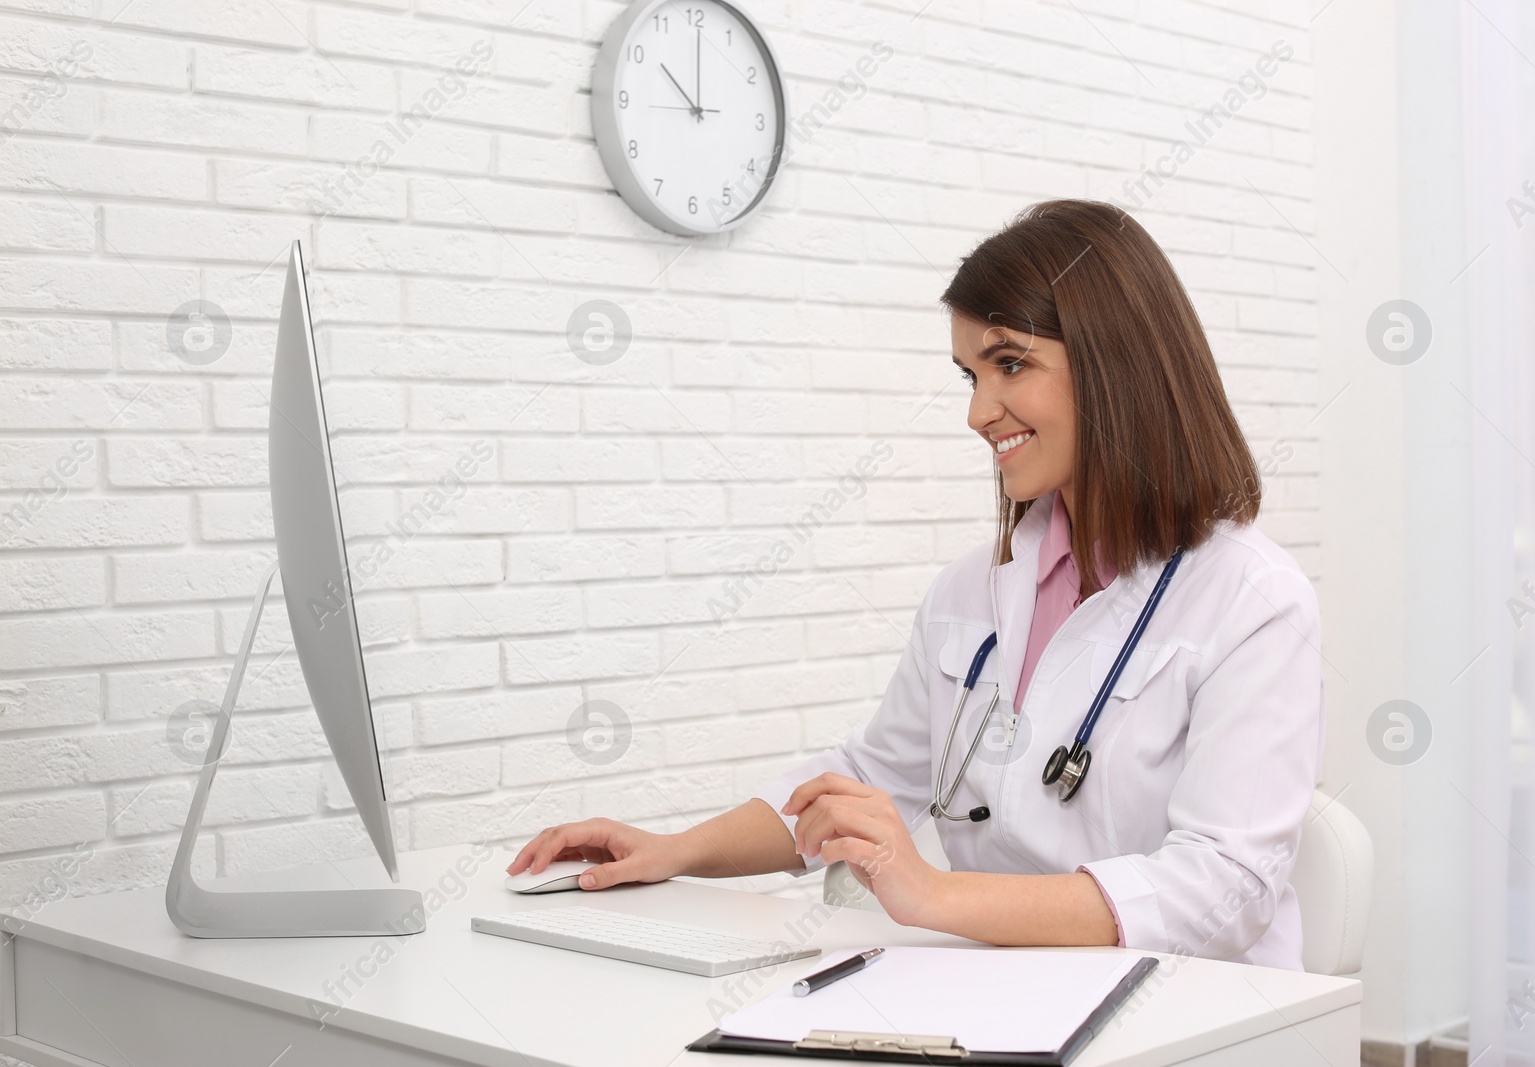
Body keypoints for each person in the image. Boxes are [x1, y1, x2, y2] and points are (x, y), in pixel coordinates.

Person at [507, 199, 1323, 970]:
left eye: (1011, 363)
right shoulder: (972, 591)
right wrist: (673, 851)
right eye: (972, 375)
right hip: (1005, 989)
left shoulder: (1252, 600)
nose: (980, 412)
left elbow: (1225, 887)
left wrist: (932, 894)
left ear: (1117, 367)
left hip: (1194, 1010)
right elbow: (871, 777)